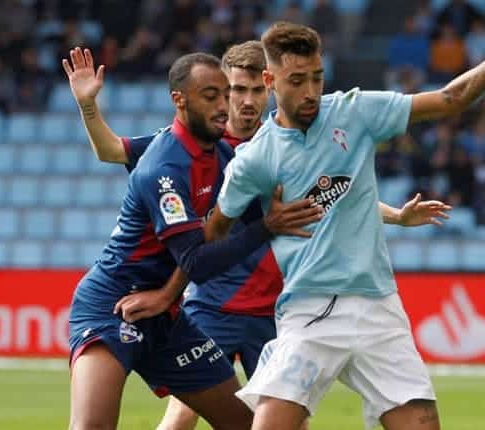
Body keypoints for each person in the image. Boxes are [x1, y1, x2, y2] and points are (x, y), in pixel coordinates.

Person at [63, 42, 452, 430]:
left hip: (260, 305)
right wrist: (88, 105)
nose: (239, 102)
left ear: (268, 89)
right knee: (171, 416)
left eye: (248, 92)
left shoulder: (258, 153)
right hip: (190, 301)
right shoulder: (172, 154)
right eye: (229, 92)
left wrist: (395, 216)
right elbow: (113, 153)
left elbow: (324, 201)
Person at [205, 8, 485, 430]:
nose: (311, 90)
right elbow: (214, 231)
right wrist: (263, 226)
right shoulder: (254, 159)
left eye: (316, 76)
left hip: (378, 305)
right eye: (297, 81)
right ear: (271, 83)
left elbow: (449, 98)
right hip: (311, 309)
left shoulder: (354, 112)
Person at [62, 51, 321, 430]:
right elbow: (199, 261)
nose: (224, 106)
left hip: (167, 319)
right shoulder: (162, 168)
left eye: (225, 95)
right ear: (179, 100)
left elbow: (266, 212)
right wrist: (268, 226)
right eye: (211, 95)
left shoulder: (221, 155)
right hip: (113, 305)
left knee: (245, 425)